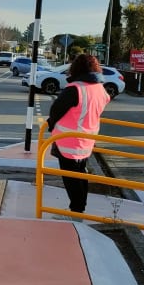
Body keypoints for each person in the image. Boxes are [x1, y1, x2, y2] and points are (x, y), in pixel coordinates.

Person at [47, 53, 112, 214]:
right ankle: (79, 208)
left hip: (68, 142)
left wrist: (51, 124)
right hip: (88, 140)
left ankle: (76, 211)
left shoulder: (75, 89)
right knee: (81, 174)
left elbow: (56, 109)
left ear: (75, 68)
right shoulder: (99, 89)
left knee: (71, 179)